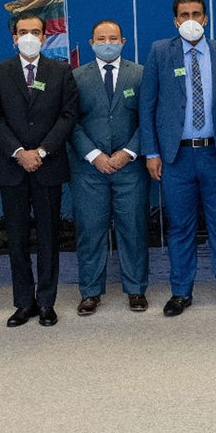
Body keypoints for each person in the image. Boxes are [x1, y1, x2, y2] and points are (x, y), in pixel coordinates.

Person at [140, 0, 216, 317]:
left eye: (196, 13)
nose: (190, 19)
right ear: (174, 20)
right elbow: (148, 105)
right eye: (183, 14)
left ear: (205, 18)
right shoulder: (160, 52)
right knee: (180, 228)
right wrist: (151, 152)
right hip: (176, 158)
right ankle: (181, 292)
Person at [0, 11, 79, 328]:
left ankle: (46, 302)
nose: (28, 36)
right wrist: (18, 152)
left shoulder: (61, 71)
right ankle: (23, 302)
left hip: (48, 164)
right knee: (16, 239)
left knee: (49, 238)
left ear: (44, 36)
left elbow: (67, 116)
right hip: (11, 167)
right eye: (22, 31)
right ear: (14, 37)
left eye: (35, 31)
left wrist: (40, 151)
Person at [69, 19, 148, 315]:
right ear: (91, 43)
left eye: (113, 37)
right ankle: (90, 291)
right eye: (101, 38)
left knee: (134, 230)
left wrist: (128, 152)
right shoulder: (75, 77)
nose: (107, 42)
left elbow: (148, 118)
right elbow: (69, 121)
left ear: (123, 41)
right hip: (89, 169)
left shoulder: (140, 75)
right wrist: (94, 155)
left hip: (130, 167)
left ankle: (136, 289)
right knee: (91, 231)